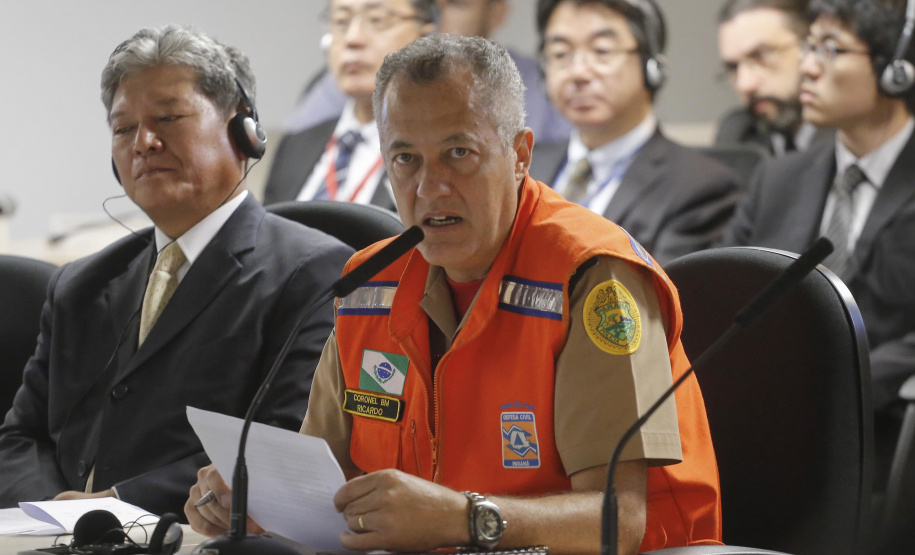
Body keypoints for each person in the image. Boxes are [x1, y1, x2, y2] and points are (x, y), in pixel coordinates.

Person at [187, 33, 722, 554]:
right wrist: (258, 500)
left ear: (519, 155)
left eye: (458, 152)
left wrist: (462, 519)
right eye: (405, 159)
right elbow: (332, 482)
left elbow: (620, 521)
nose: (429, 187)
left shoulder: (590, 276)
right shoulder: (367, 285)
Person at [0, 25, 354, 516]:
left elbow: (282, 441)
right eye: (124, 129)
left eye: (167, 118)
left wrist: (113, 506)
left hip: (194, 534)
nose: (144, 142)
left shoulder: (313, 272)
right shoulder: (80, 285)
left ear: (243, 131)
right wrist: (59, 512)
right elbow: (21, 435)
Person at [721, 0, 915, 485]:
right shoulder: (776, 178)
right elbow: (725, 294)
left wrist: (832, 383)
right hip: (767, 430)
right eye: (809, 46)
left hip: (884, 436)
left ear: (895, 68)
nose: (807, 66)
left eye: (831, 49)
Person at [529, 0, 744, 265]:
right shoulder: (523, 167)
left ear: (651, 68)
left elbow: (663, 301)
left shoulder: (701, 187)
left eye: (601, 51)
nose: (578, 72)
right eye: (560, 54)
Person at [284, 0, 573, 144]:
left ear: (497, 12)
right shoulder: (356, 78)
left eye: (455, 3)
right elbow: (299, 147)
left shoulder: (534, 84)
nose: (436, 18)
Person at [261, 0, 438, 208]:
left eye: (376, 20)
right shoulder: (295, 145)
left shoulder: (440, 150)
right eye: (341, 21)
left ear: (424, 38)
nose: (352, 39)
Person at [716, 0, 832, 156]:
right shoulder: (739, 137)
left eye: (761, 56)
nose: (745, 85)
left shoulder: (852, 138)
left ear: (812, 48)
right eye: (733, 68)